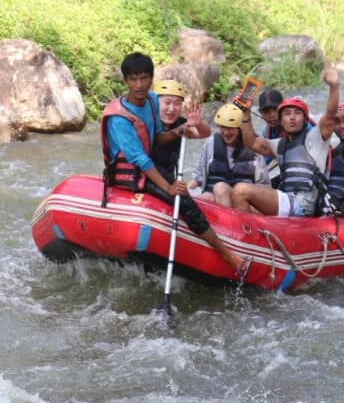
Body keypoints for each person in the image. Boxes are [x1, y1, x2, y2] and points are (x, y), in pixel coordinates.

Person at [101, 53, 246, 275]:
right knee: (183, 198)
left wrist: (179, 131)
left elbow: (158, 137)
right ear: (125, 81)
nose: (139, 85)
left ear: (151, 79)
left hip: (147, 169)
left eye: (144, 78)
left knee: (179, 190)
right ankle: (226, 255)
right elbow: (139, 159)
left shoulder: (150, 101)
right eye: (133, 79)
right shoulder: (119, 118)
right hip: (131, 174)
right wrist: (168, 187)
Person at [231, 69, 341, 217]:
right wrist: (244, 113)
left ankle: (245, 234)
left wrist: (334, 87)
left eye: (297, 113)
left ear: (305, 119)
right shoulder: (279, 144)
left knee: (241, 191)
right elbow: (251, 142)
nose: (292, 118)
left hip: (303, 205)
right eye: (287, 114)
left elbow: (330, 116)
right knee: (242, 201)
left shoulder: (316, 138)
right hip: (288, 199)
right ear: (281, 120)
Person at [188, 104, 268, 208]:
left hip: (240, 203)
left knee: (220, 188)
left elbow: (264, 185)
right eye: (223, 127)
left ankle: (230, 222)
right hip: (213, 198)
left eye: (231, 128)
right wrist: (184, 191)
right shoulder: (211, 143)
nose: (226, 132)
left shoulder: (253, 147)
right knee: (206, 197)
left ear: (240, 128)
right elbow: (198, 177)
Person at [150, 79, 209, 182]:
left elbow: (205, 134)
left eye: (177, 104)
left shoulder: (181, 123)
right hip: (149, 176)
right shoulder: (146, 122)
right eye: (167, 103)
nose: (172, 109)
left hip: (168, 178)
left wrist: (198, 124)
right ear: (155, 104)